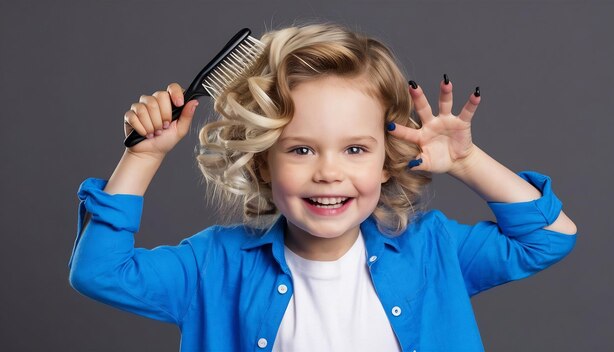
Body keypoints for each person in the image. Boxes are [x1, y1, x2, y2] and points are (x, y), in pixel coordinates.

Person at [68, 23, 577, 351]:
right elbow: (99, 272)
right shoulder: (213, 267)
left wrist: (467, 161)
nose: (328, 172)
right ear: (264, 164)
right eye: (301, 149)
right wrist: (143, 155)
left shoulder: (433, 249)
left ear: (385, 160)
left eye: (355, 149)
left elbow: (549, 235)